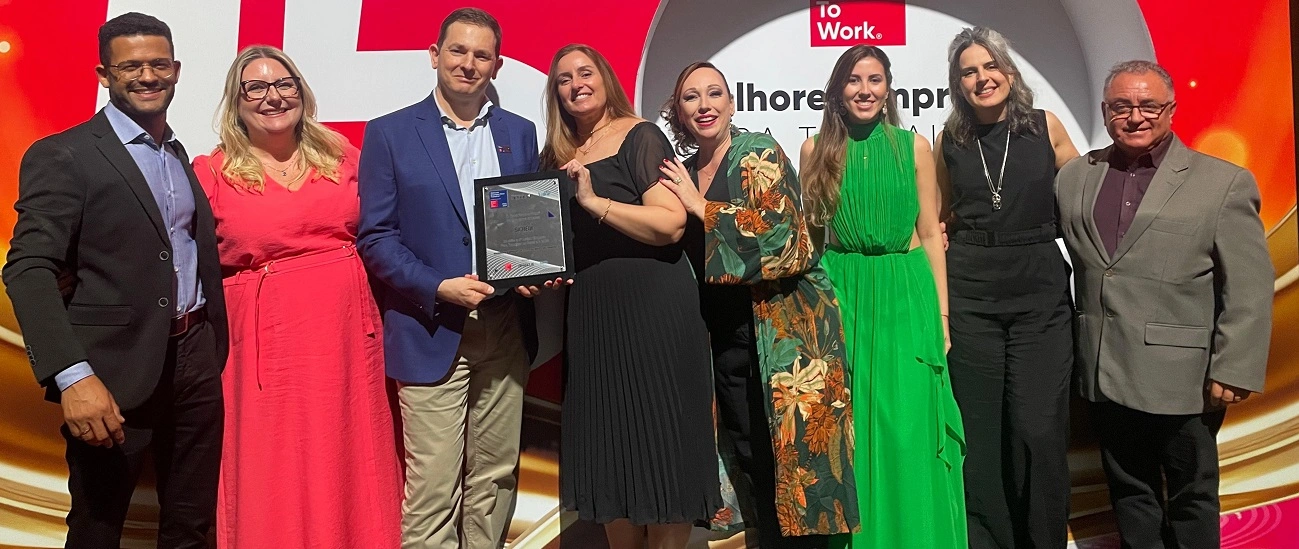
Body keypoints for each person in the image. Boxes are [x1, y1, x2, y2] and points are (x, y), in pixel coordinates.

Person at [3, 12, 228, 548]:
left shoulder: (177, 154)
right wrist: (72, 377)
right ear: (104, 75)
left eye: (158, 64)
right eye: (131, 67)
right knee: (97, 532)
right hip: (110, 373)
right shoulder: (64, 154)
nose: (148, 76)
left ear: (177, 70)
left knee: (192, 529)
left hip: (195, 362)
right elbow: (28, 269)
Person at [357, 8, 553, 549]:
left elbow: (524, 227)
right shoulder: (390, 133)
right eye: (458, 51)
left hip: (505, 328)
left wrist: (531, 271)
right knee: (433, 489)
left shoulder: (519, 132)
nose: (468, 64)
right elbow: (376, 238)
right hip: (431, 328)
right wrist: (438, 286)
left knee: (495, 480)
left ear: (498, 64)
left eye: (481, 55)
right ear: (434, 55)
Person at [1056, 60, 1273, 549]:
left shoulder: (1222, 183)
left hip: (1184, 379)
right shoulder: (1074, 177)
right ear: (1105, 112)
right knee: (1130, 494)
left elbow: (1249, 285)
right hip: (1104, 369)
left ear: (1171, 110)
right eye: (1121, 106)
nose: (1135, 116)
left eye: (1149, 105)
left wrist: (1234, 367)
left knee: (1192, 496)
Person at [192, 45, 400, 549]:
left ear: (301, 92)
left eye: (284, 84)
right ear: (236, 102)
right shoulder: (212, 172)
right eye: (256, 88)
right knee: (273, 462)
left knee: (350, 450)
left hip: (347, 337)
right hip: (265, 346)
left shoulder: (343, 156)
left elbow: (391, 227)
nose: (273, 97)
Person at [657, 61, 858, 548]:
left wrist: (701, 207)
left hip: (784, 338)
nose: (704, 106)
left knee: (794, 470)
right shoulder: (682, 172)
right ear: (678, 113)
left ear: (732, 103)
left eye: (714, 94)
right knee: (749, 463)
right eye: (691, 98)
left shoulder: (757, 152)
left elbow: (784, 238)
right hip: (725, 340)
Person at [540, 44, 721, 549]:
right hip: (593, 317)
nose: (576, 84)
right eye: (563, 79)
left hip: (655, 312)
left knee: (663, 452)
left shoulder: (641, 135)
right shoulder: (554, 156)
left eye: (585, 72)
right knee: (610, 457)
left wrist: (594, 202)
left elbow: (670, 223)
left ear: (605, 78)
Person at [799, 45, 967, 548]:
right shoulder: (814, 151)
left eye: (874, 80)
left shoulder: (914, 147)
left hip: (904, 291)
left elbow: (931, 233)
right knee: (852, 429)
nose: (865, 90)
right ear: (838, 90)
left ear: (888, 88)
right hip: (843, 293)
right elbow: (811, 241)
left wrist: (942, 315)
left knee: (908, 426)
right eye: (854, 80)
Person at [934, 27, 1080, 549]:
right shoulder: (950, 141)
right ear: (958, 84)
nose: (982, 78)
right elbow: (940, 216)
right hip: (972, 298)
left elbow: (1082, 199)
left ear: (1010, 72)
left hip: (1040, 298)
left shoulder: (1046, 127)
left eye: (990, 66)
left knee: (1039, 428)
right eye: (969, 71)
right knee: (981, 432)